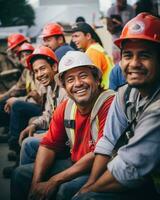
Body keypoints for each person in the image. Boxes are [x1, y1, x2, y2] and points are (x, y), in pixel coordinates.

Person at [71, 12, 160, 200]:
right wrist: (90, 184)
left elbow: (129, 168)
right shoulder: (125, 93)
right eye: (128, 55)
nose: (134, 63)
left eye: (144, 55)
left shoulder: (157, 109)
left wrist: (88, 191)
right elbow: (107, 141)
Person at [11, 51, 115, 200]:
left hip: (103, 168)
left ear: (97, 79)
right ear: (65, 87)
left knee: (63, 191)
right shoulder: (67, 106)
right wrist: (36, 184)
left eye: (83, 75)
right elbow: (48, 145)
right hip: (75, 162)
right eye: (70, 79)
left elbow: (100, 153)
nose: (78, 83)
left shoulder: (109, 104)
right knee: (21, 175)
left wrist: (55, 180)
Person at [18, 45, 67, 165]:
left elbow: (65, 130)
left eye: (42, 68)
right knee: (31, 127)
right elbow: (48, 115)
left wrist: (42, 135)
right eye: (36, 71)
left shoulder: (64, 91)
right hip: (57, 133)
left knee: (28, 143)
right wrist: (34, 125)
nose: (39, 74)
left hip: (66, 142)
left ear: (54, 67)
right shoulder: (50, 88)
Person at [71, 22, 114, 89]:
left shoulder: (92, 52)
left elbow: (94, 81)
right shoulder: (96, 47)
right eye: (73, 37)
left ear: (88, 36)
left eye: (76, 36)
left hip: (106, 93)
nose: (73, 40)